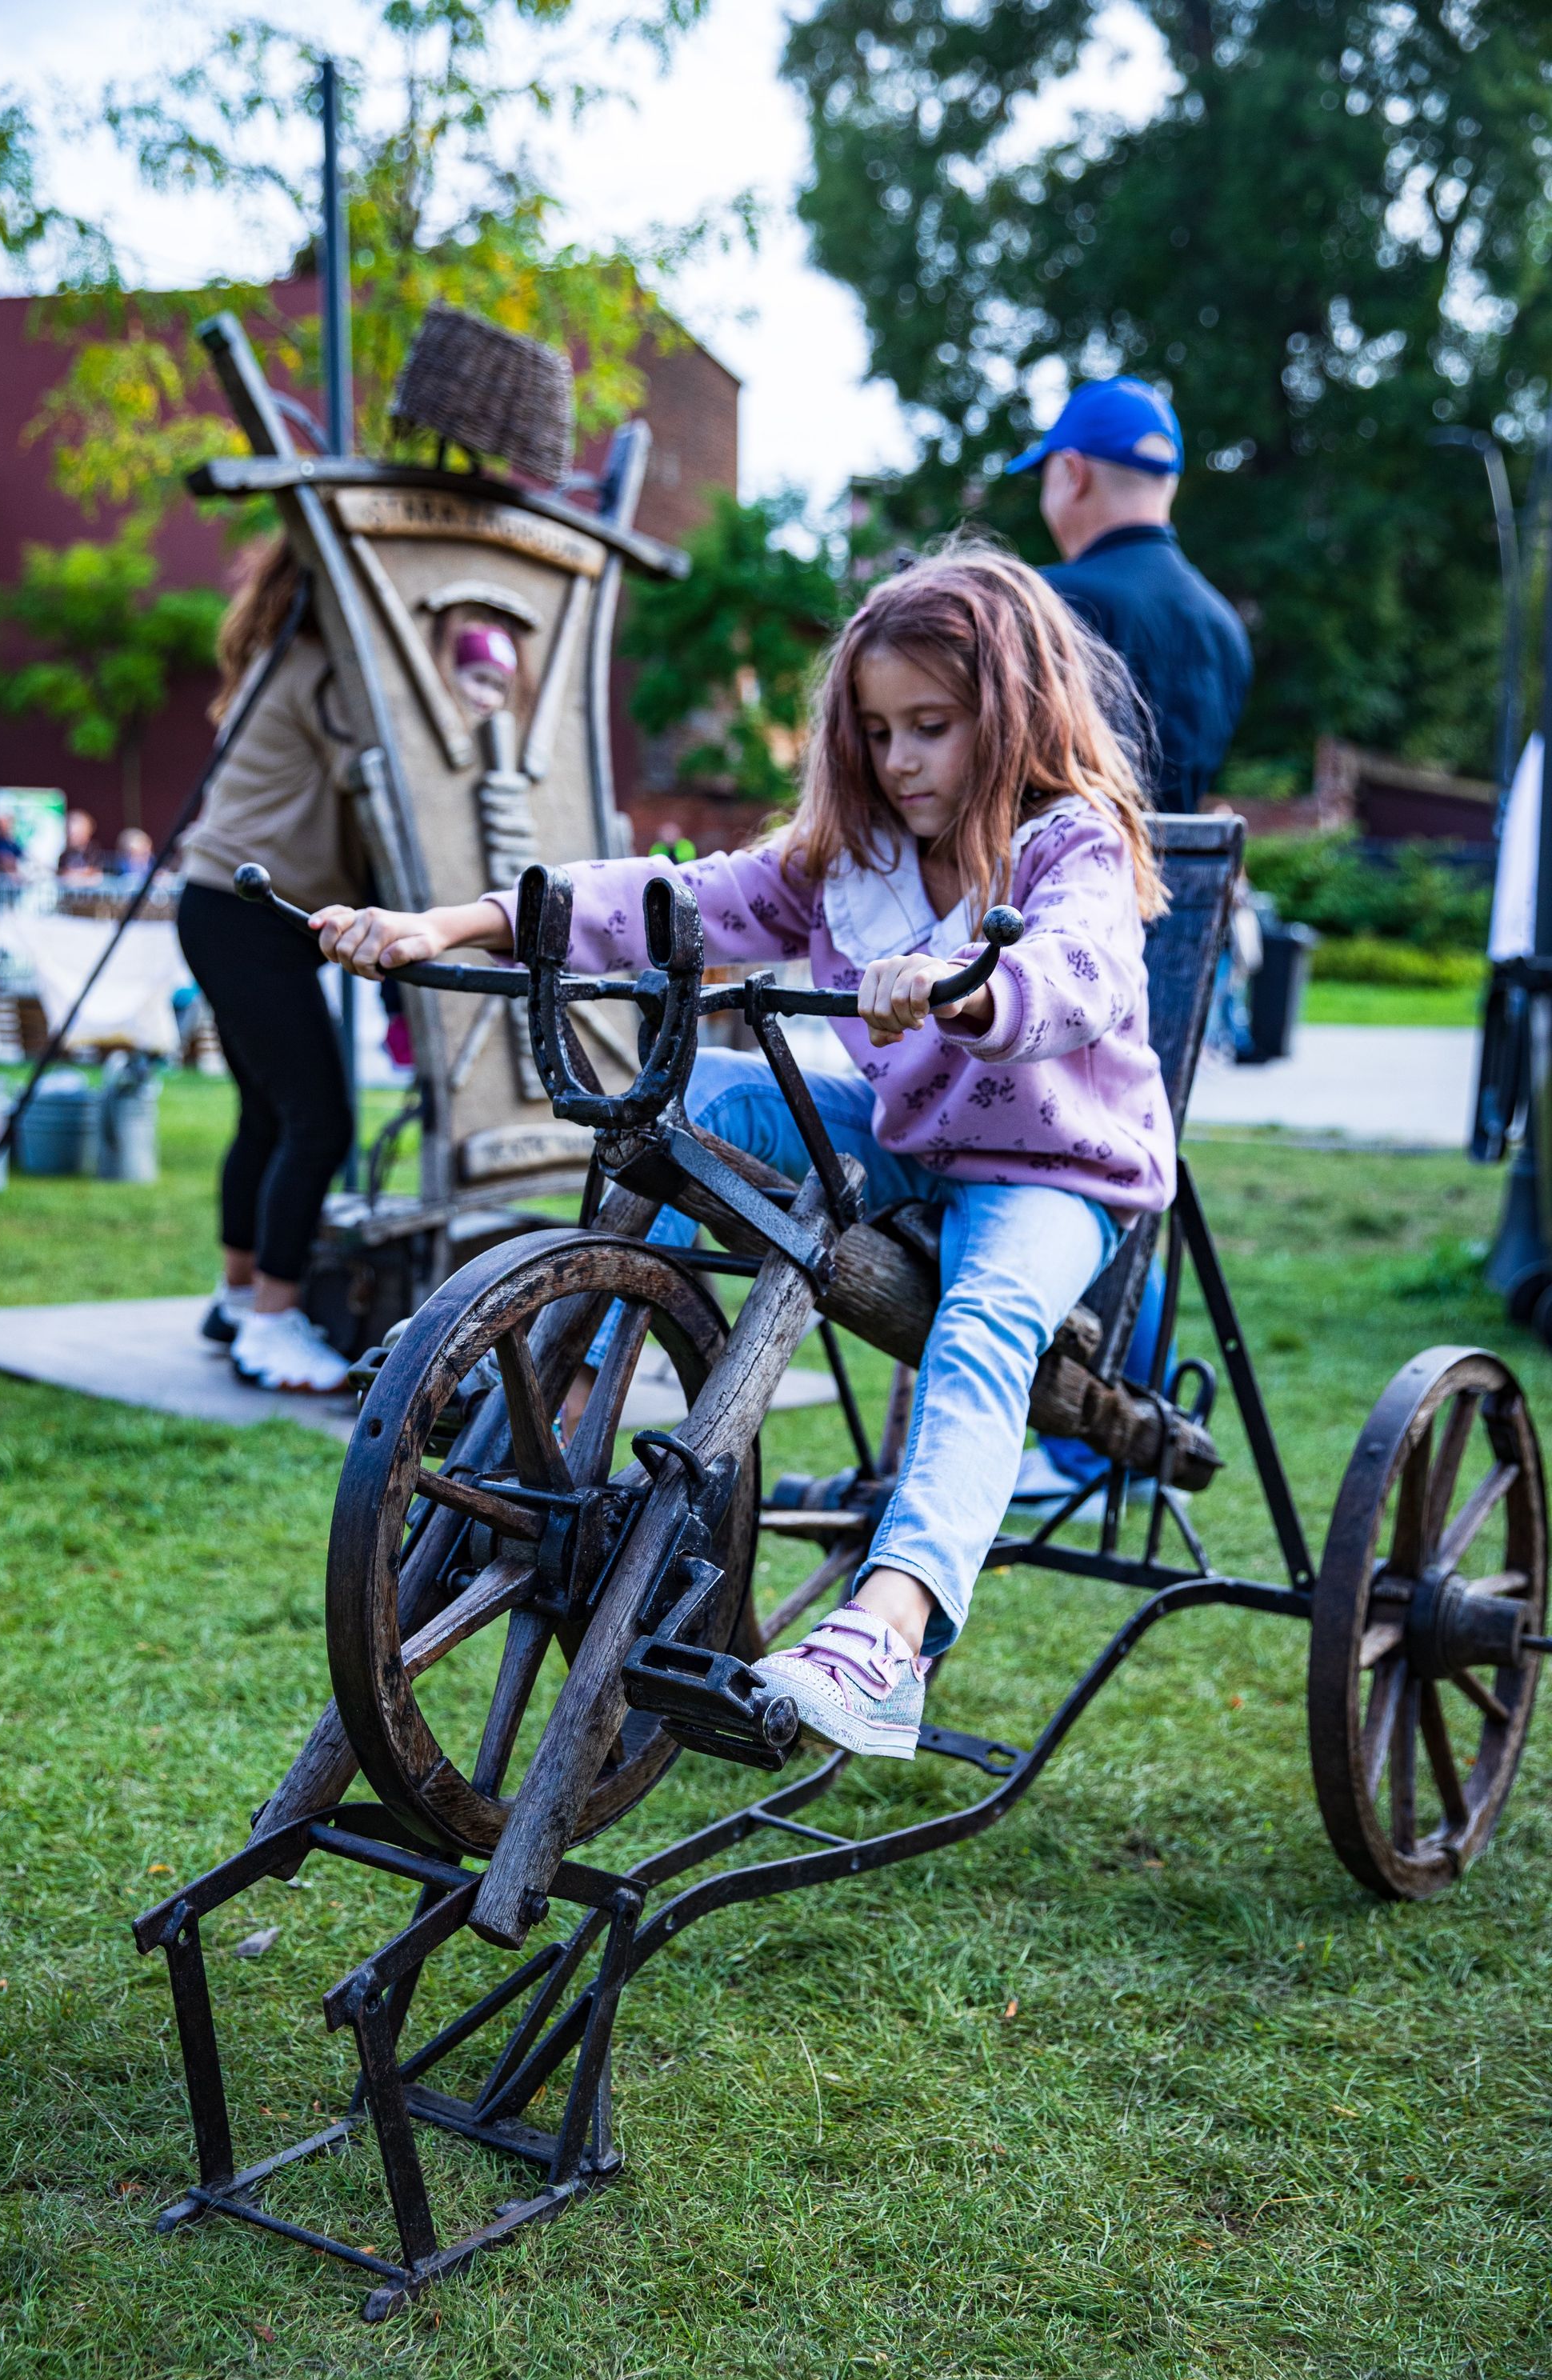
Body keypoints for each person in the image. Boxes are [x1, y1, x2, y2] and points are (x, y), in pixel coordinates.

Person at [311, 542, 1174, 1759]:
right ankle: (561, 1377)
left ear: (1014, 711)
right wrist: (451, 924)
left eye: (931, 725)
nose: (900, 761)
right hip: (909, 1141)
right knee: (703, 1093)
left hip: (1054, 1175)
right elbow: (668, 899)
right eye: (876, 732)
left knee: (981, 1332)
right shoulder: (853, 859)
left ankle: (887, 1628)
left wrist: (966, 992)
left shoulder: (1066, 845)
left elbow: (1079, 973)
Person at [174, 537, 370, 1394]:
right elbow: (383, 795)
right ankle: (272, 1322)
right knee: (318, 1121)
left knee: (268, 1116)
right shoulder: (327, 673)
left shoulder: (278, 654)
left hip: (224, 905)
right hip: (244, 912)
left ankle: (238, 1294)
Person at [1006, 375, 1251, 815]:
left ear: (1073, 474)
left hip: (1060, 878)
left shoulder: (1043, 602)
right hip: (1180, 880)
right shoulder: (1225, 627)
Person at [58, 810, 106, 882]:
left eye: (76, 834)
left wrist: (77, 874)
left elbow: (97, 872)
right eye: (70, 833)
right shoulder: (65, 852)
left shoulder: (94, 850)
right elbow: (62, 872)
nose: (71, 836)